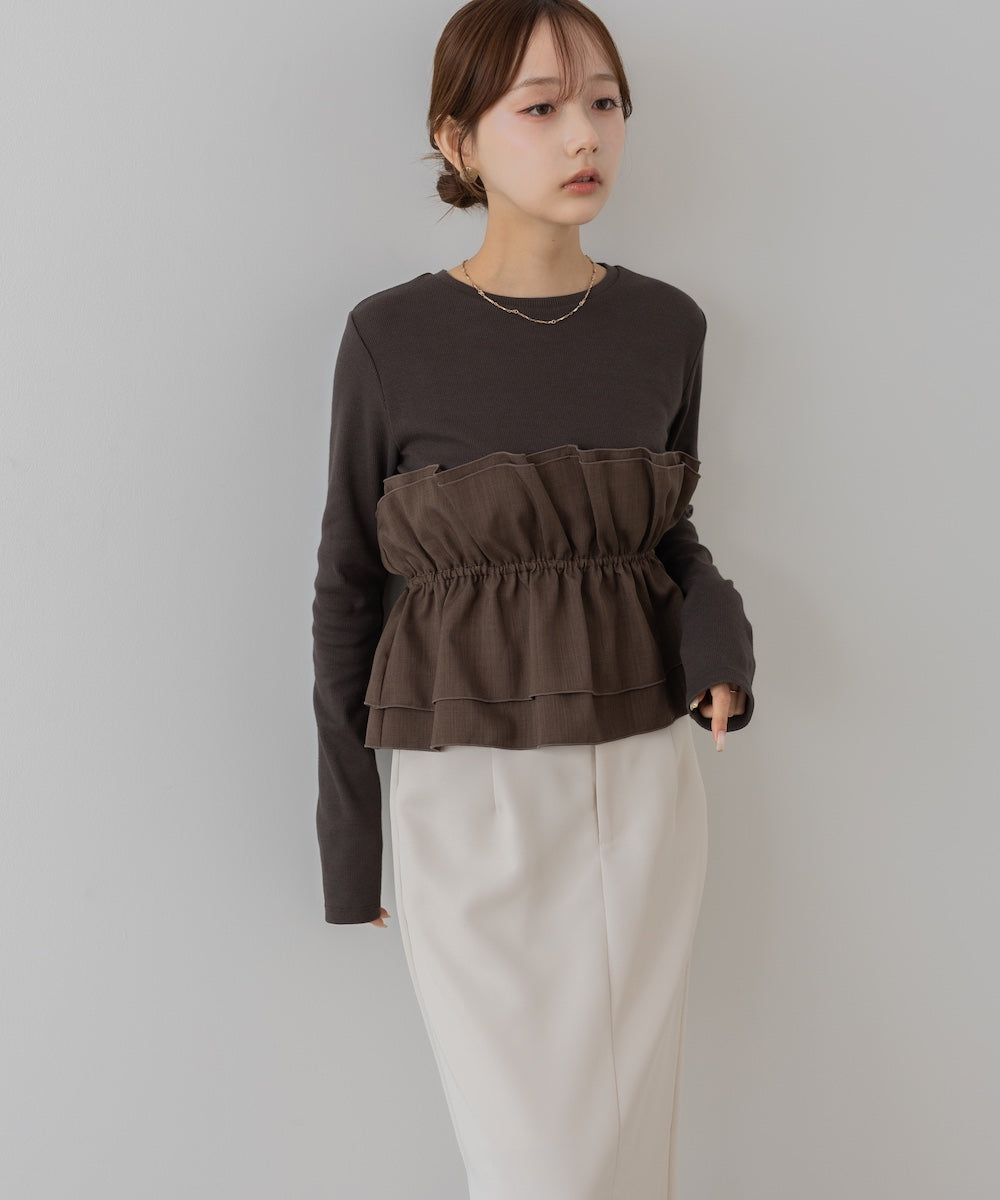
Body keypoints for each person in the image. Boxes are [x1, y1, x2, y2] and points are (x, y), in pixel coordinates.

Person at [311, 0, 756, 1195]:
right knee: (530, 1159)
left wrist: (720, 642)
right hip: (461, 789)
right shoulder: (389, 336)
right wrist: (351, 848)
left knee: (621, 1147)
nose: (583, 136)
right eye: (541, 107)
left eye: (604, 103)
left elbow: (663, 534)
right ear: (457, 140)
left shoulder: (666, 325)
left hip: (639, 773)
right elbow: (348, 585)